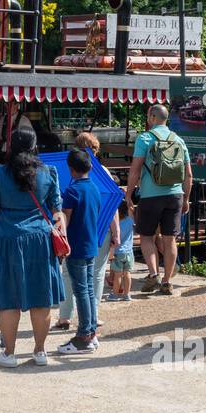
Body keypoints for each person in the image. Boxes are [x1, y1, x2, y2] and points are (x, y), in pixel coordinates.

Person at [0, 126, 65, 366]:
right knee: (41, 297)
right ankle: (39, 352)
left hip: (6, 239)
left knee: (8, 299)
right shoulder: (49, 172)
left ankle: (9, 353)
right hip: (40, 239)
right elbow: (57, 211)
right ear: (35, 146)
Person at [126, 104, 193, 296]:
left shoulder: (145, 138)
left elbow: (136, 169)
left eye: (148, 116)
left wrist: (129, 194)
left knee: (147, 236)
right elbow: (188, 175)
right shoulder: (179, 140)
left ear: (152, 117)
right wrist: (186, 198)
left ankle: (153, 273)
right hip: (175, 195)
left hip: (150, 195)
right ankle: (167, 281)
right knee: (170, 239)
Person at [56, 131, 118, 330]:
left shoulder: (67, 176)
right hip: (99, 230)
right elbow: (113, 206)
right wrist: (116, 233)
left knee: (67, 274)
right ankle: (94, 315)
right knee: (96, 275)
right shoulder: (103, 174)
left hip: (75, 233)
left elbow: (65, 212)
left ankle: (65, 316)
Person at [58, 148, 101, 354]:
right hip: (91, 244)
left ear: (71, 170)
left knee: (81, 290)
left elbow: (65, 219)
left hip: (76, 246)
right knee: (89, 290)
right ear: (90, 167)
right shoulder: (94, 188)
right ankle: (91, 332)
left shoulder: (72, 191)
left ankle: (83, 335)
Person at [108, 197, 135, 302]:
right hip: (129, 252)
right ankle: (127, 294)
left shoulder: (115, 225)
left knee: (118, 275)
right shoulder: (130, 221)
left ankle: (115, 295)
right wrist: (128, 199)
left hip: (118, 252)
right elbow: (132, 209)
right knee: (127, 273)